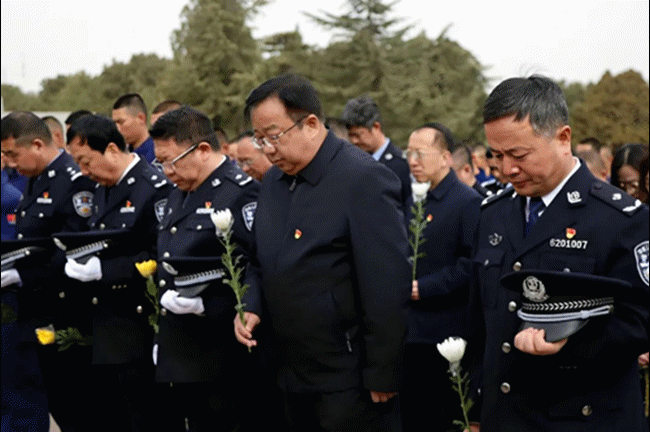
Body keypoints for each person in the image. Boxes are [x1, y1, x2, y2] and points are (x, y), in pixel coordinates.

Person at [466, 76, 649, 431]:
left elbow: (641, 320)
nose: (507, 169)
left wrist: (570, 341)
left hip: (581, 419)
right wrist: (476, 407)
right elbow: (479, 319)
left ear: (563, 138)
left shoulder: (620, 219)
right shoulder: (492, 213)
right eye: (498, 156)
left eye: (519, 155)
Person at [234, 74, 410, 431]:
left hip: (346, 377)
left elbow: (387, 286)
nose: (267, 149)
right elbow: (259, 259)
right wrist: (250, 304)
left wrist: (383, 372)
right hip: (287, 370)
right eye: (259, 139)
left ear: (311, 124)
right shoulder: (273, 182)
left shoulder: (363, 179)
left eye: (274, 136)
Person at [151, 106, 276, 431]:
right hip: (185, 352)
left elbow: (257, 269)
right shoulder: (179, 194)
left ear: (203, 150)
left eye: (171, 161)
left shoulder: (242, 193)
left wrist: (208, 304)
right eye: (160, 163)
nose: (166, 171)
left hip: (223, 354)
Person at [65, 114, 173, 431]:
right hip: (106, 328)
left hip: (137, 329)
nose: (83, 171)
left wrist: (104, 270)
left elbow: (160, 256)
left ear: (112, 149)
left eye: (86, 161)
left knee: (145, 420)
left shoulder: (153, 189)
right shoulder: (103, 187)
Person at [1, 111, 97, 431]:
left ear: (37, 145)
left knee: (74, 406)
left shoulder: (74, 181)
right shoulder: (35, 179)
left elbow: (71, 250)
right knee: (49, 399)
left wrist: (21, 275)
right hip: (35, 310)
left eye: (12, 154)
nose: (9, 163)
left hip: (64, 311)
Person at [401, 123, 482, 432]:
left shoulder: (466, 201)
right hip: (409, 332)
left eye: (420, 154)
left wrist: (424, 288)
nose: (413, 161)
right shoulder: (413, 199)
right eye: (409, 154)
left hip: (444, 330)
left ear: (446, 157)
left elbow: (470, 264)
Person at [341, 95, 412, 210]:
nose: (354, 141)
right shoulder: (354, 162)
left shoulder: (402, 165)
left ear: (376, 127)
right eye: (351, 135)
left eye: (358, 135)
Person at [112, 93, 156, 163]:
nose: (117, 128)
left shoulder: (157, 154)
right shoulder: (120, 155)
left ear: (141, 118)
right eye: (114, 123)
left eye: (121, 122)